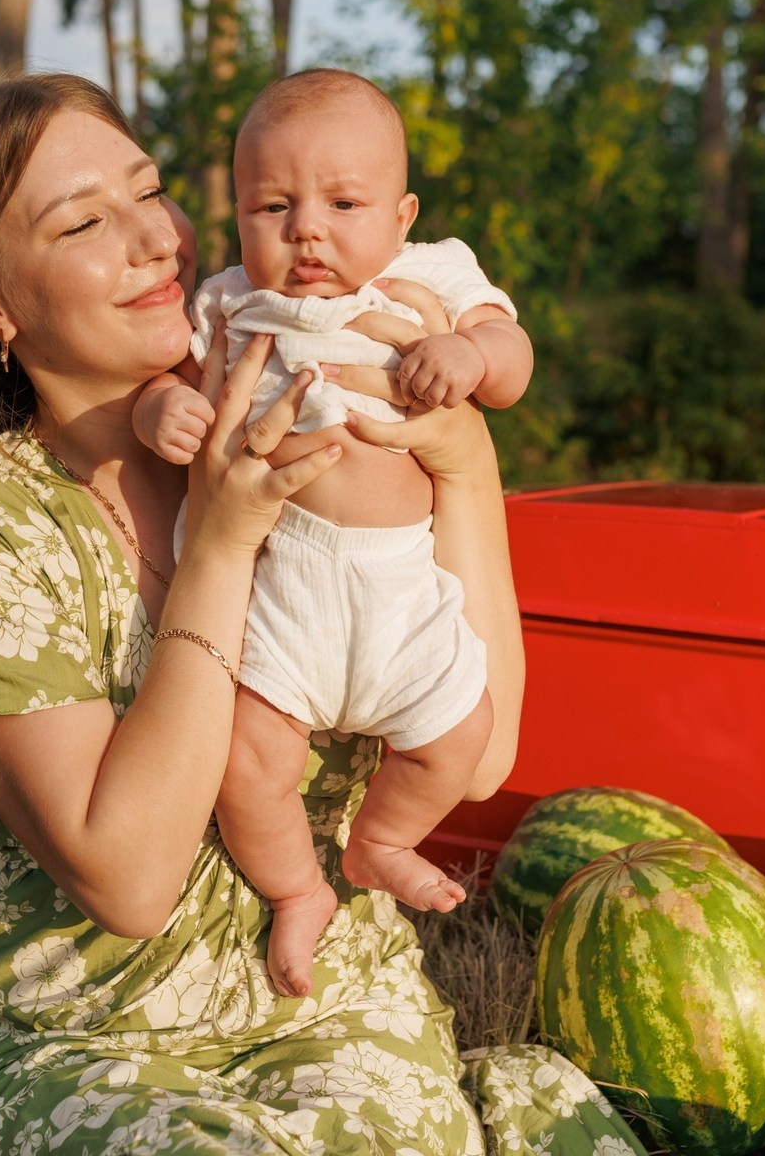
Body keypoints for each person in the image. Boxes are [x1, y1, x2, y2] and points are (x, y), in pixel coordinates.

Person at [0, 71, 650, 1155]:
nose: (154, 238)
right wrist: (223, 541)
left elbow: (474, 756)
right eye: (87, 220)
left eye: (149, 190)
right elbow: (130, 878)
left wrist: (465, 466)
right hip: (69, 1033)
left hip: (329, 1005)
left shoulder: (305, 394)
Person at [134, 68, 534, 999]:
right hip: (286, 588)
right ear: (238, 218)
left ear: (402, 215)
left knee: (460, 738)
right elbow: (171, 377)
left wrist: (471, 353)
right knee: (250, 758)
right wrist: (163, 411)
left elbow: (511, 366)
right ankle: (296, 888)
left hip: (397, 588)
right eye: (273, 205)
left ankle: (379, 840)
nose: (307, 228)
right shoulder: (229, 302)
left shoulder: (428, 275)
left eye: (343, 201)